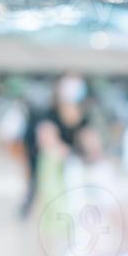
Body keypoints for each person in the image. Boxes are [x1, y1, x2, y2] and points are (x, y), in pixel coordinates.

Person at [19, 74, 88, 218]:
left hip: (72, 168)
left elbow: (88, 140)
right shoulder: (50, 114)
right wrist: (64, 152)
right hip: (52, 167)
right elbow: (46, 138)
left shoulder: (84, 117)